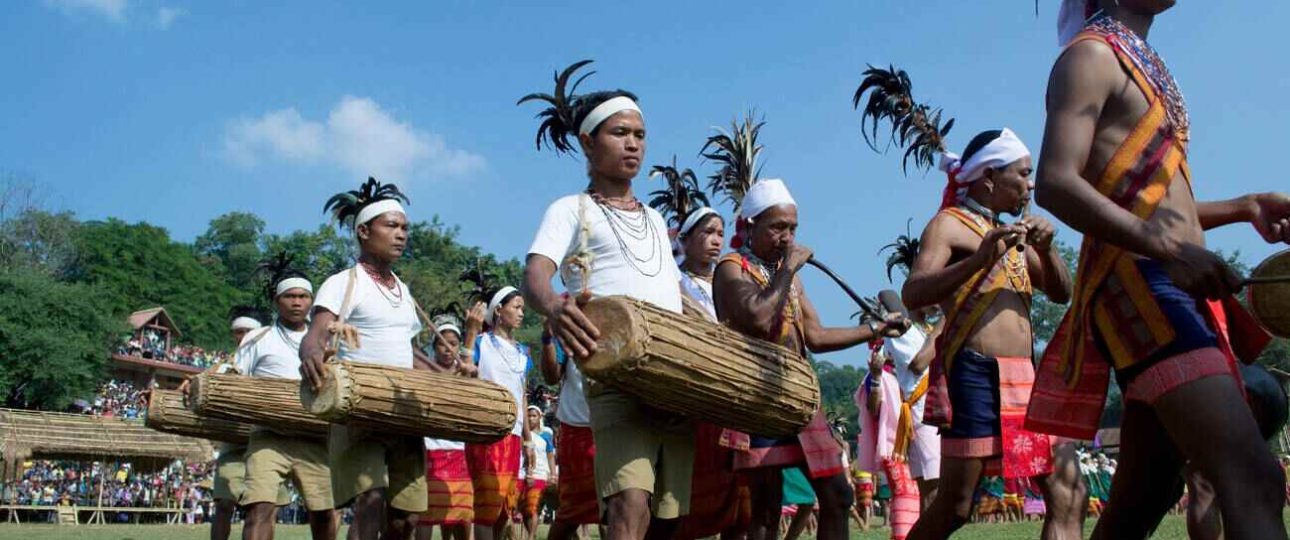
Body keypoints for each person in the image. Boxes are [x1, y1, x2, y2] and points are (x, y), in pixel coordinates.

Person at [1028, 2, 1290, 539]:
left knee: (1143, 499)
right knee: (1255, 477)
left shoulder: (1139, 62)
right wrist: (1171, 252)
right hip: (1144, 290)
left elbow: (1155, 206)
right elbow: (1054, 181)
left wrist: (1244, 206)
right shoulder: (1092, 57)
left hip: (1168, 283)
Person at [520, 60, 693, 540]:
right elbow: (535, 274)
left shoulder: (656, 219)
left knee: (668, 517)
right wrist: (554, 306)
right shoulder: (570, 210)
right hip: (615, 375)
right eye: (619, 133)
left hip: (674, 374)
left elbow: (673, 289)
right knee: (628, 500)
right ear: (587, 143)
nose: (633, 143)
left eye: (640, 134)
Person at [899, 128, 1082, 540]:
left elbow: (1061, 292)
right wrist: (979, 260)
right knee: (957, 506)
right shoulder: (948, 225)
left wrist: (1049, 248)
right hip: (975, 375)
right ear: (988, 179)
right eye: (1023, 173)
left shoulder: (1012, 233)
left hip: (1024, 377)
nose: (1030, 184)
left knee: (1068, 490)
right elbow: (914, 291)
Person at [712, 177, 908, 540]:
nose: (787, 237)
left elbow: (815, 336)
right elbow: (757, 317)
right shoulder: (731, 267)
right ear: (750, 226)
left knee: (838, 494)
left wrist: (876, 328)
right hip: (757, 399)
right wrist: (788, 269)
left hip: (799, 397)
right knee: (766, 510)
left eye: (792, 228)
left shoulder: (789, 280)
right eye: (777, 228)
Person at [301, 177, 426, 540]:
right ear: (363, 231)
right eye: (391, 226)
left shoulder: (403, 290)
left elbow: (409, 350)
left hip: (403, 412)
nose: (401, 234)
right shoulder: (343, 282)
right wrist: (311, 353)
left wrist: (453, 373)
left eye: (404, 227)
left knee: (406, 519)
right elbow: (317, 332)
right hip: (360, 409)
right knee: (370, 501)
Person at [661, 203, 750, 540]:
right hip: (694, 397)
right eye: (707, 233)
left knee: (739, 498)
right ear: (685, 239)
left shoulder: (731, 280)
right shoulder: (673, 283)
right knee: (693, 491)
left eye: (720, 233)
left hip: (732, 396)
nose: (716, 240)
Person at [236, 254, 337, 540]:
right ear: (277, 301)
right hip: (269, 436)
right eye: (290, 296)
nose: (297, 302)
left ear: (311, 301)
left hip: (316, 436)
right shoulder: (257, 338)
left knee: (323, 514)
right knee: (259, 509)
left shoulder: (326, 341)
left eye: (303, 296)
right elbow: (235, 377)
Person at [467, 286, 534, 540]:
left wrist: (528, 439)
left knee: (506, 508)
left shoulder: (523, 353)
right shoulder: (481, 344)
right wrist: (470, 335)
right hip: (486, 432)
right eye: (516, 307)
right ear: (498, 310)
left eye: (523, 309)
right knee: (487, 506)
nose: (521, 313)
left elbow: (522, 394)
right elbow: (464, 374)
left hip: (514, 435)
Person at [418, 312, 481, 540]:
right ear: (433, 348)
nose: (447, 349)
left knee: (463, 518)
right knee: (425, 517)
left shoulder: (467, 373)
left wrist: (469, 367)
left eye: (452, 344)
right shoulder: (423, 373)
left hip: (459, 455)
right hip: (430, 453)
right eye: (442, 344)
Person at [537, 324, 600, 540]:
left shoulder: (624, 313)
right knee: (571, 512)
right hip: (576, 430)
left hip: (617, 426)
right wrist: (547, 340)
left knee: (618, 508)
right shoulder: (570, 322)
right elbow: (552, 376)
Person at [208, 306, 264, 540]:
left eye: (248, 331)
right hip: (232, 443)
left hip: (265, 441)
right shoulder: (221, 368)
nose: (243, 336)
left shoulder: (271, 363)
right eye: (238, 331)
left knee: (259, 508)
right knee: (223, 504)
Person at [857, 345, 918, 540]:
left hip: (918, 441)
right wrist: (875, 376)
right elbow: (873, 410)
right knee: (905, 494)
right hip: (894, 448)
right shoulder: (877, 377)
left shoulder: (908, 374)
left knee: (922, 497)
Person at [520, 406, 555, 540]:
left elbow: (550, 455)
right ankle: (531, 535)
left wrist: (553, 474)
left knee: (533, 507)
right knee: (525, 509)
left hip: (540, 474)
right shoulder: (524, 435)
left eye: (534, 416)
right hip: (524, 474)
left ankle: (530, 536)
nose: (531, 418)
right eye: (528, 416)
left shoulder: (546, 435)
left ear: (540, 417)